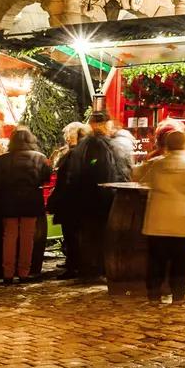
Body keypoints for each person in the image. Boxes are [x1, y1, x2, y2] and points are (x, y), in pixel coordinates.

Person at [135, 127, 185, 305]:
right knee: (179, 261)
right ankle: (178, 295)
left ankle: (153, 294)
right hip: (182, 222)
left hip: (157, 221)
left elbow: (136, 175)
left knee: (156, 260)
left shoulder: (157, 164)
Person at [54, 113, 128, 283]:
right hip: (101, 199)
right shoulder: (105, 146)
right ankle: (96, 267)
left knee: (89, 235)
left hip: (91, 199)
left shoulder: (90, 148)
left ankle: (90, 267)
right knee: (96, 235)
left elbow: (80, 174)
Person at [0, 128, 51, 283]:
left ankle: (7, 273)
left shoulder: (2, 159)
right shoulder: (40, 158)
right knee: (28, 237)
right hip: (31, 200)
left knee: (9, 236)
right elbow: (46, 178)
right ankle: (24, 272)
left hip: (8, 200)